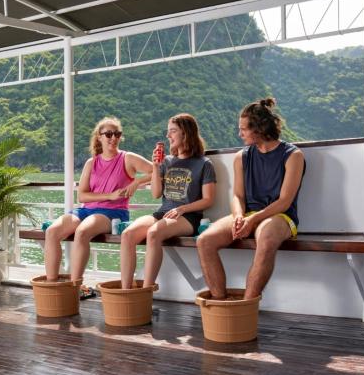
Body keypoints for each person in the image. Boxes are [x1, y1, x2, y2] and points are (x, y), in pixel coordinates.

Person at [197, 97, 305, 300]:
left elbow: (285, 201)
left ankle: (247, 306)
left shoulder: (293, 155)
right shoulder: (241, 157)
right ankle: (221, 304)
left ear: (259, 128)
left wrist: (253, 219)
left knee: (266, 238)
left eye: (243, 129)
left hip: (281, 216)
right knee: (204, 241)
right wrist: (239, 216)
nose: (240, 134)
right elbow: (238, 195)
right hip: (248, 214)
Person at [45, 117, 152, 283]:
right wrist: (109, 195)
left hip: (113, 212)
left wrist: (137, 182)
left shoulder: (127, 158)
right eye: (108, 134)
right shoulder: (91, 162)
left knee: (82, 232)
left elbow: (158, 170)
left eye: (117, 134)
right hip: (86, 210)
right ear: (99, 137)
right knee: (52, 232)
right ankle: (51, 285)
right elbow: (82, 196)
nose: (113, 138)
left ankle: (75, 286)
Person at [120, 113, 216, 289]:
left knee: (153, 233)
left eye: (172, 131)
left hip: (188, 217)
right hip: (163, 212)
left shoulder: (204, 163)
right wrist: (156, 167)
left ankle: (146, 290)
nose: (168, 135)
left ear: (185, 133)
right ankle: (126, 291)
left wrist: (182, 209)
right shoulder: (167, 162)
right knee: (127, 235)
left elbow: (208, 200)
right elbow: (156, 194)